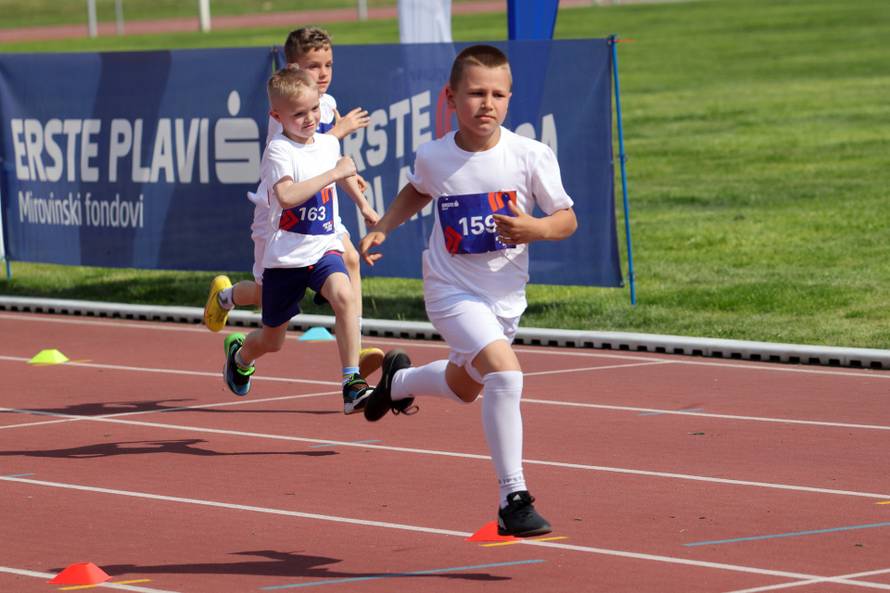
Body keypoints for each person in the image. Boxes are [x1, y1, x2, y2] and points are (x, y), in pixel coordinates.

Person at [358, 45, 578, 537]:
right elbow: (418, 188)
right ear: (451, 96)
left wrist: (534, 229)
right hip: (450, 290)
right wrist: (383, 228)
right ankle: (513, 497)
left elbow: (566, 218)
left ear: (510, 98)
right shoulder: (435, 155)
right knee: (506, 377)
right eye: (476, 93)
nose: (487, 104)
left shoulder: (529, 155)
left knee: (465, 388)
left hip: (505, 298)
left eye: (498, 94)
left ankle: (398, 382)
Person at [204, 26, 383, 386]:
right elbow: (308, 157)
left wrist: (363, 204)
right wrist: (339, 133)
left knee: (348, 262)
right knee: (263, 295)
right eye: (313, 67)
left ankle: (355, 351)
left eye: (328, 65)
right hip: (279, 222)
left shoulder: (325, 106)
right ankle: (225, 297)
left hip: (318, 214)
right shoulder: (284, 119)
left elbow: (330, 160)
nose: (323, 75)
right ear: (291, 69)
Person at [223, 65, 373, 416]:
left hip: (322, 248)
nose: (308, 119)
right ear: (277, 115)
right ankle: (241, 356)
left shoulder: (328, 142)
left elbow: (341, 173)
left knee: (344, 295)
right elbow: (288, 196)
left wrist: (362, 202)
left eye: (313, 110)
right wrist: (334, 172)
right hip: (285, 259)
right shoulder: (278, 150)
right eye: (298, 114)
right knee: (272, 341)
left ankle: (351, 383)